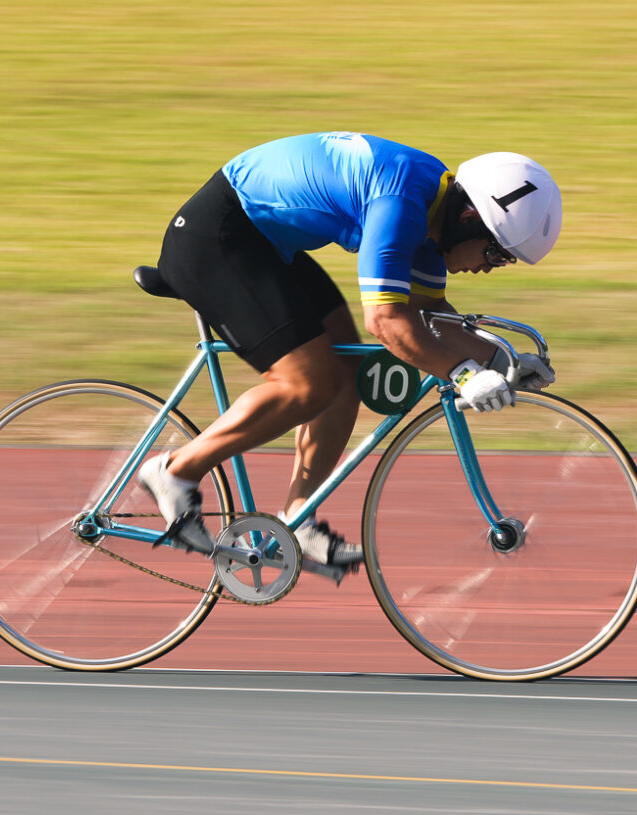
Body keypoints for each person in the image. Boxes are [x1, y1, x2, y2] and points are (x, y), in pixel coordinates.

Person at [136, 132, 562, 575]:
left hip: (262, 245)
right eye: (496, 251)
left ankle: (297, 520)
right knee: (307, 383)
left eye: (505, 259)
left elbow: (431, 316)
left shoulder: (434, 215)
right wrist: (465, 375)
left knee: (345, 372)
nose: (491, 267)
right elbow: (385, 323)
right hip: (219, 235)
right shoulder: (401, 202)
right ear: (470, 216)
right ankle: (175, 471)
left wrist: (500, 361)